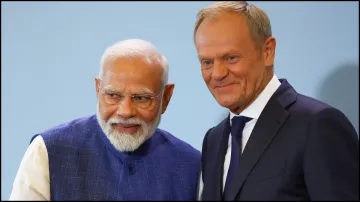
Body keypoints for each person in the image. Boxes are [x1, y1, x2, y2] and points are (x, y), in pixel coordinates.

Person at [193, 1, 359, 201]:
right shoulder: (213, 139)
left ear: (267, 51)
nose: (217, 74)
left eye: (231, 58)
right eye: (207, 62)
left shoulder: (317, 125)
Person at [10, 39, 201, 201]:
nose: (125, 112)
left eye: (141, 98)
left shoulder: (195, 167)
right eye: (113, 95)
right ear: (97, 89)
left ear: (166, 98)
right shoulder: (47, 150)